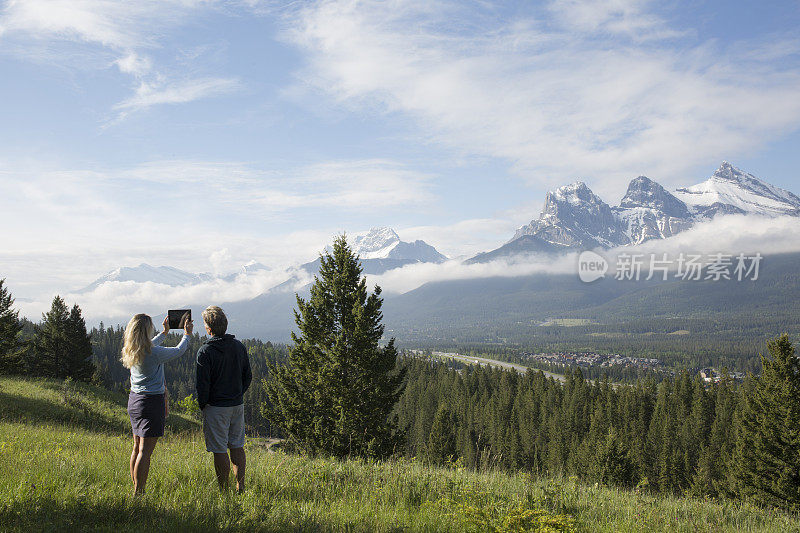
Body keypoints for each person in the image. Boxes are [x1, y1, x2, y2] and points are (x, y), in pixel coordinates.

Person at [121, 313, 193, 495]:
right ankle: (139, 492)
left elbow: (151, 344)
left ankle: (135, 486)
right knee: (145, 452)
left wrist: (164, 333)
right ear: (146, 330)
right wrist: (187, 334)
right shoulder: (154, 353)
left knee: (136, 448)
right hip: (151, 402)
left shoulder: (132, 348)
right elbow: (178, 351)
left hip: (135, 400)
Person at [196, 305, 252, 493]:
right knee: (237, 445)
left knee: (219, 449)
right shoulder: (238, 346)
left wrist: (203, 404)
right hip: (236, 404)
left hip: (216, 407)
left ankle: (223, 490)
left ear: (209, 328)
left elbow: (202, 384)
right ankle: (240, 485)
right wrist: (238, 393)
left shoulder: (205, 351)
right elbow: (247, 376)